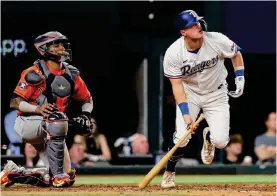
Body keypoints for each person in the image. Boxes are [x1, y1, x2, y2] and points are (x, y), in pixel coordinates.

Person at [0, 31, 95, 188]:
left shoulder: (72, 73)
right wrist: (37, 108)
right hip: (28, 123)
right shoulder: (34, 72)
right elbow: (15, 102)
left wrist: (86, 114)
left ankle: (14, 174)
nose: (61, 48)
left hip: (51, 127)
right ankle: (58, 175)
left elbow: (87, 99)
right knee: (57, 118)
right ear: (44, 48)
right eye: (56, 45)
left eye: (62, 44)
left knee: (68, 177)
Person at [161, 10, 245, 188]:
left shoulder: (216, 39)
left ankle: (209, 138)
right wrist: (185, 114)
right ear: (183, 32)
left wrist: (240, 77)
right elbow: (176, 86)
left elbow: (235, 53)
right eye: (192, 24)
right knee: (182, 138)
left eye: (198, 22)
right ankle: (169, 171)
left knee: (221, 142)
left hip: (217, 94)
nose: (198, 26)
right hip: (190, 93)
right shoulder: (173, 53)